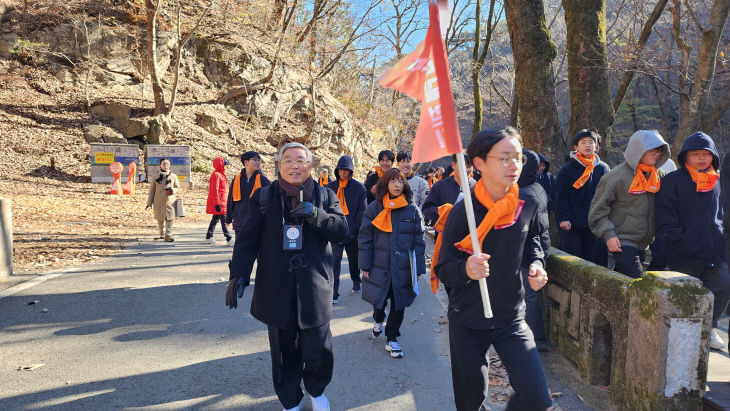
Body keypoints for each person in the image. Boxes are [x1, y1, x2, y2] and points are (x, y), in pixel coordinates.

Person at [434, 127, 552, 410]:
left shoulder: (527, 204)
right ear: (479, 163)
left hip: (511, 316)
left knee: (537, 398)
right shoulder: (464, 212)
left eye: (518, 157)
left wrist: (536, 264)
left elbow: (532, 239)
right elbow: (443, 266)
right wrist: (466, 270)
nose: (514, 165)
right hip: (467, 320)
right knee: (471, 399)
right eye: (504, 158)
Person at [226, 143, 347, 411]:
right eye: (288, 160)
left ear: (310, 166)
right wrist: (238, 275)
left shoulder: (326, 195)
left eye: (300, 160)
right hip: (276, 286)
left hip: (315, 286)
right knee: (283, 350)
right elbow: (247, 239)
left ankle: (316, 391)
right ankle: (290, 399)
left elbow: (342, 231)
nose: (294, 165)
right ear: (278, 165)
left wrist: (317, 215)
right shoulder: (263, 197)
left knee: (318, 347)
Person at [656, 131, 730, 351]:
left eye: (705, 154)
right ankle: (684, 335)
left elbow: (721, 213)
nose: (701, 158)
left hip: (714, 250)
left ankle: (710, 326)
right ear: (685, 157)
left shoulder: (717, 180)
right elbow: (665, 216)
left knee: (723, 285)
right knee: (687, 295)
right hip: (684, 252)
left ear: (713, 157)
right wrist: (679, 240)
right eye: (695, 154)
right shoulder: (672, 181)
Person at [358, 168, 426, 358]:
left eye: (400, 181)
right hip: (379, 266)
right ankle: (378, 319)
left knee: (399, 303)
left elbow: (419, 240)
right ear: (385, 184)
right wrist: (365, 264)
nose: (397, 185)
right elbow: (364, 238)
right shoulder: (374, 208)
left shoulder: (412, 209)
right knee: (379, 301)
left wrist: (418, 268)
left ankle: (392, 338)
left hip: (403, 267)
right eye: (393, 181)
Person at [588, 130, 670, 278]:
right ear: (637, 151)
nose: (656, 154)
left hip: (644, 244)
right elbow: (597, 211)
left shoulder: (658, 176)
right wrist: (609, 235)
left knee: (623, 285)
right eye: (651, 150)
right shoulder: (615, 177)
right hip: (621, 241)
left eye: (658, 150)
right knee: (638, 283)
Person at [554, 129, 610, 265]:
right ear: (576, 147)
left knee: (595, 256)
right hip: (572, 222)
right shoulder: (567, 169)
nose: (587, 145)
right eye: (583, 142)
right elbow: (560, 195)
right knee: (572, 257)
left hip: (595, 221)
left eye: (591, 142)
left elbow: (608, 194)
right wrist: (563, 218)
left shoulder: (602, 168)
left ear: (596, 146)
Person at [517, 149, 551, 352]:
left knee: (528, 295)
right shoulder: (538, 186)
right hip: (542, 246)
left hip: (531, 250)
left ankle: (537, 340)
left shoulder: (523, 193)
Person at [326, 155, 367, 304]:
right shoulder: (330, 187)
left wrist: (354, 229)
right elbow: (325, 209)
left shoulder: (359, 187)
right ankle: (334, 293)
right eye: (341, 170)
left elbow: (362, 211)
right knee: (334, 262)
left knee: (354, 260)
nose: (343, 173)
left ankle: (356, 280)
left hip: (353, 232)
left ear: (351, 171)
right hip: (335, 232)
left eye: (346, 171)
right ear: (337, 171)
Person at [422, 154, 476, 229]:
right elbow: (426, 209)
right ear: (453, 165)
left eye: (469, 166)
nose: (466, 170)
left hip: (469, 235)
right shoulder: (440, 185)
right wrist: (444, 211)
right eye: (463, 166)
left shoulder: (476, 187)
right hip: (444, 234)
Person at [226, 151, 271, 236]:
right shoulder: (236, 180)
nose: (258, 162)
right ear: (246, 162)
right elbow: (231, 200)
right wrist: (228, 219)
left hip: (257, 224)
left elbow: (270, 201)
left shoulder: (263, 180)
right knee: (240, 248)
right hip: (240, 222)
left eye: (259, 160)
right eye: (254, 160)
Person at [146, 158, 180, 242]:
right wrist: (149, 203)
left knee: (170, 218)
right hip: (158, 200)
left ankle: (168, 234)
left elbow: (177, 187)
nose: (166, 166)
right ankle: (161, 233)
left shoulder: (173, 176)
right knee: (160, 218)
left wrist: (173, 190)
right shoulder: (155, 177)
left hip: (170, 200)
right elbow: (151, 191)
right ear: (160, 165)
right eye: (164, 164)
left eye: (167, 164)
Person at [205, 157, 233, 245]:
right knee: (224, 220)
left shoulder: (221, 174)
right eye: (224, 164)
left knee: (215, 219)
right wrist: (217, 203)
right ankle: (229, 238)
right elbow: (214, 190)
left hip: (223, 201)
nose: (225, 166)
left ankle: (209, 236)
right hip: (220, 202)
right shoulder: (216, 175)